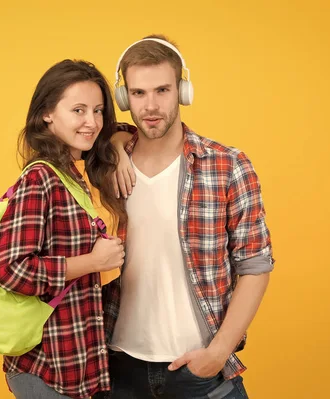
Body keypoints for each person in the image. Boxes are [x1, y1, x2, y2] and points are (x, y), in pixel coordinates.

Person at [101, 35, 274, 399]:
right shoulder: (104, 166)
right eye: (138, 93)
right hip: (119, 365)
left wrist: (218, 352)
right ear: (123, 98)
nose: (150, 106)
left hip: (200, 367)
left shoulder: (228, 165)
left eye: (162, 90)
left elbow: (255, 266)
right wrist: (114, 145)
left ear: (182, 90)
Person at [0, 59, 126, 399]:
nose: (92, 122)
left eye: (97, 111)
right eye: (78, 110)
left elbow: (127, 129)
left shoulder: (71, 175)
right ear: (47, 114)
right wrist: (93, 262)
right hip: (45, 369)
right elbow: (11, 270)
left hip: (77, 364)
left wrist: (120, 147)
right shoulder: (40, 179)